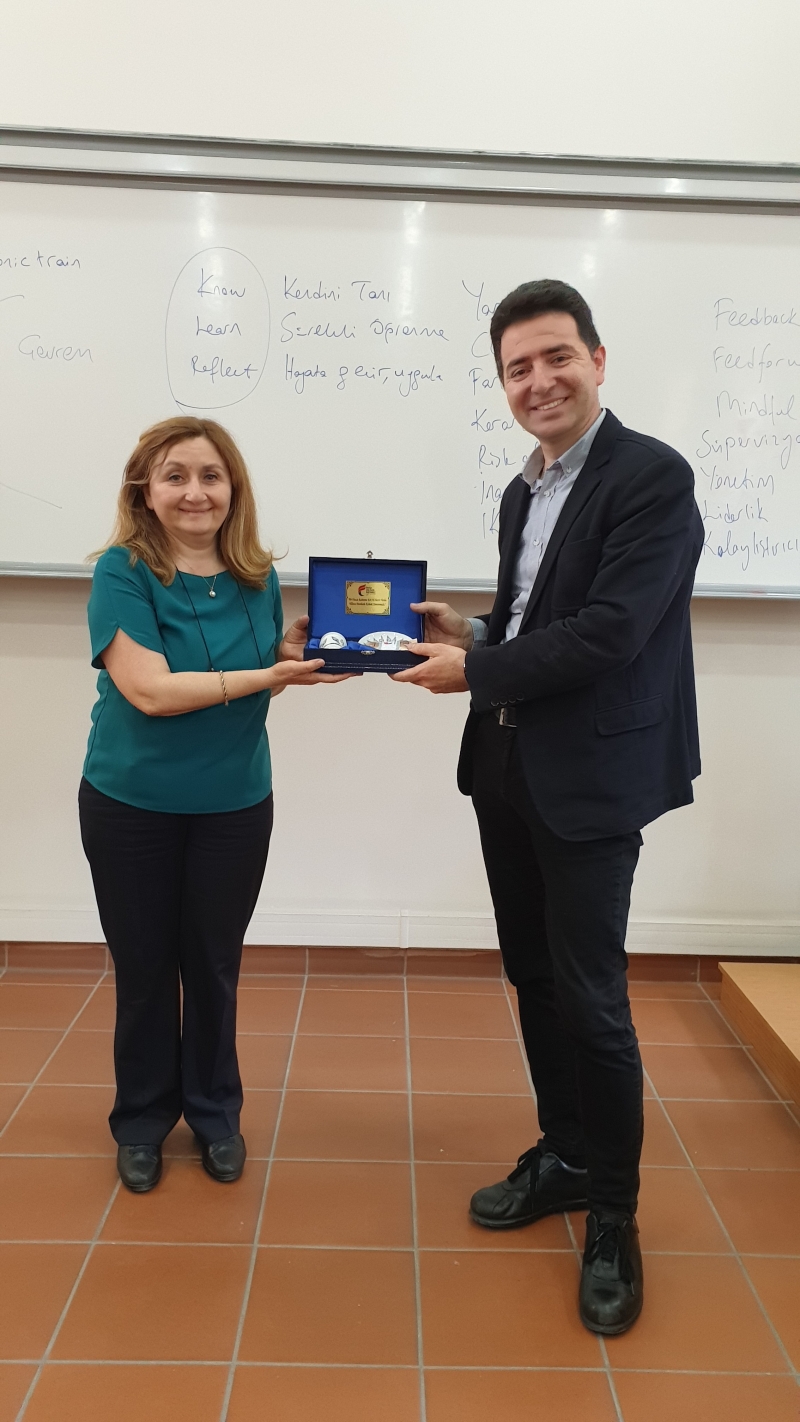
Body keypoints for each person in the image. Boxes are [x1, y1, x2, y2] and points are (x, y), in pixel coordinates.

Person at [393, 280, 703, 1335]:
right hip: (508, 770)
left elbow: (609, 632)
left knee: (592, 998)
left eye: (556, 357)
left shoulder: (651, 477)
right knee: (532, 975)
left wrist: (474, 672)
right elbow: (541, 621)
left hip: (592, 782)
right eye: (517, 368)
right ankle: (566, 1153)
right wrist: (474, 632)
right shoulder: (522, 491)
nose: (539, 381)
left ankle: (613, 1215)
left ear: (597, 360)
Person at [79, 416, 339, 1193]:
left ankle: (216, 1115)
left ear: (234, 489)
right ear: (145, 491)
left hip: (234, 805)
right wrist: (270, 676)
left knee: (214, 967)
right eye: (175, 476)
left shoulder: (259, 578)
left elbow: (250, 678)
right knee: (146, 970)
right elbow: (151, 691)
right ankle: (141, 1121)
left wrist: (288, 655)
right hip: (131, 804)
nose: (195, 492)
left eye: (211, 476)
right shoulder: (122, 572)